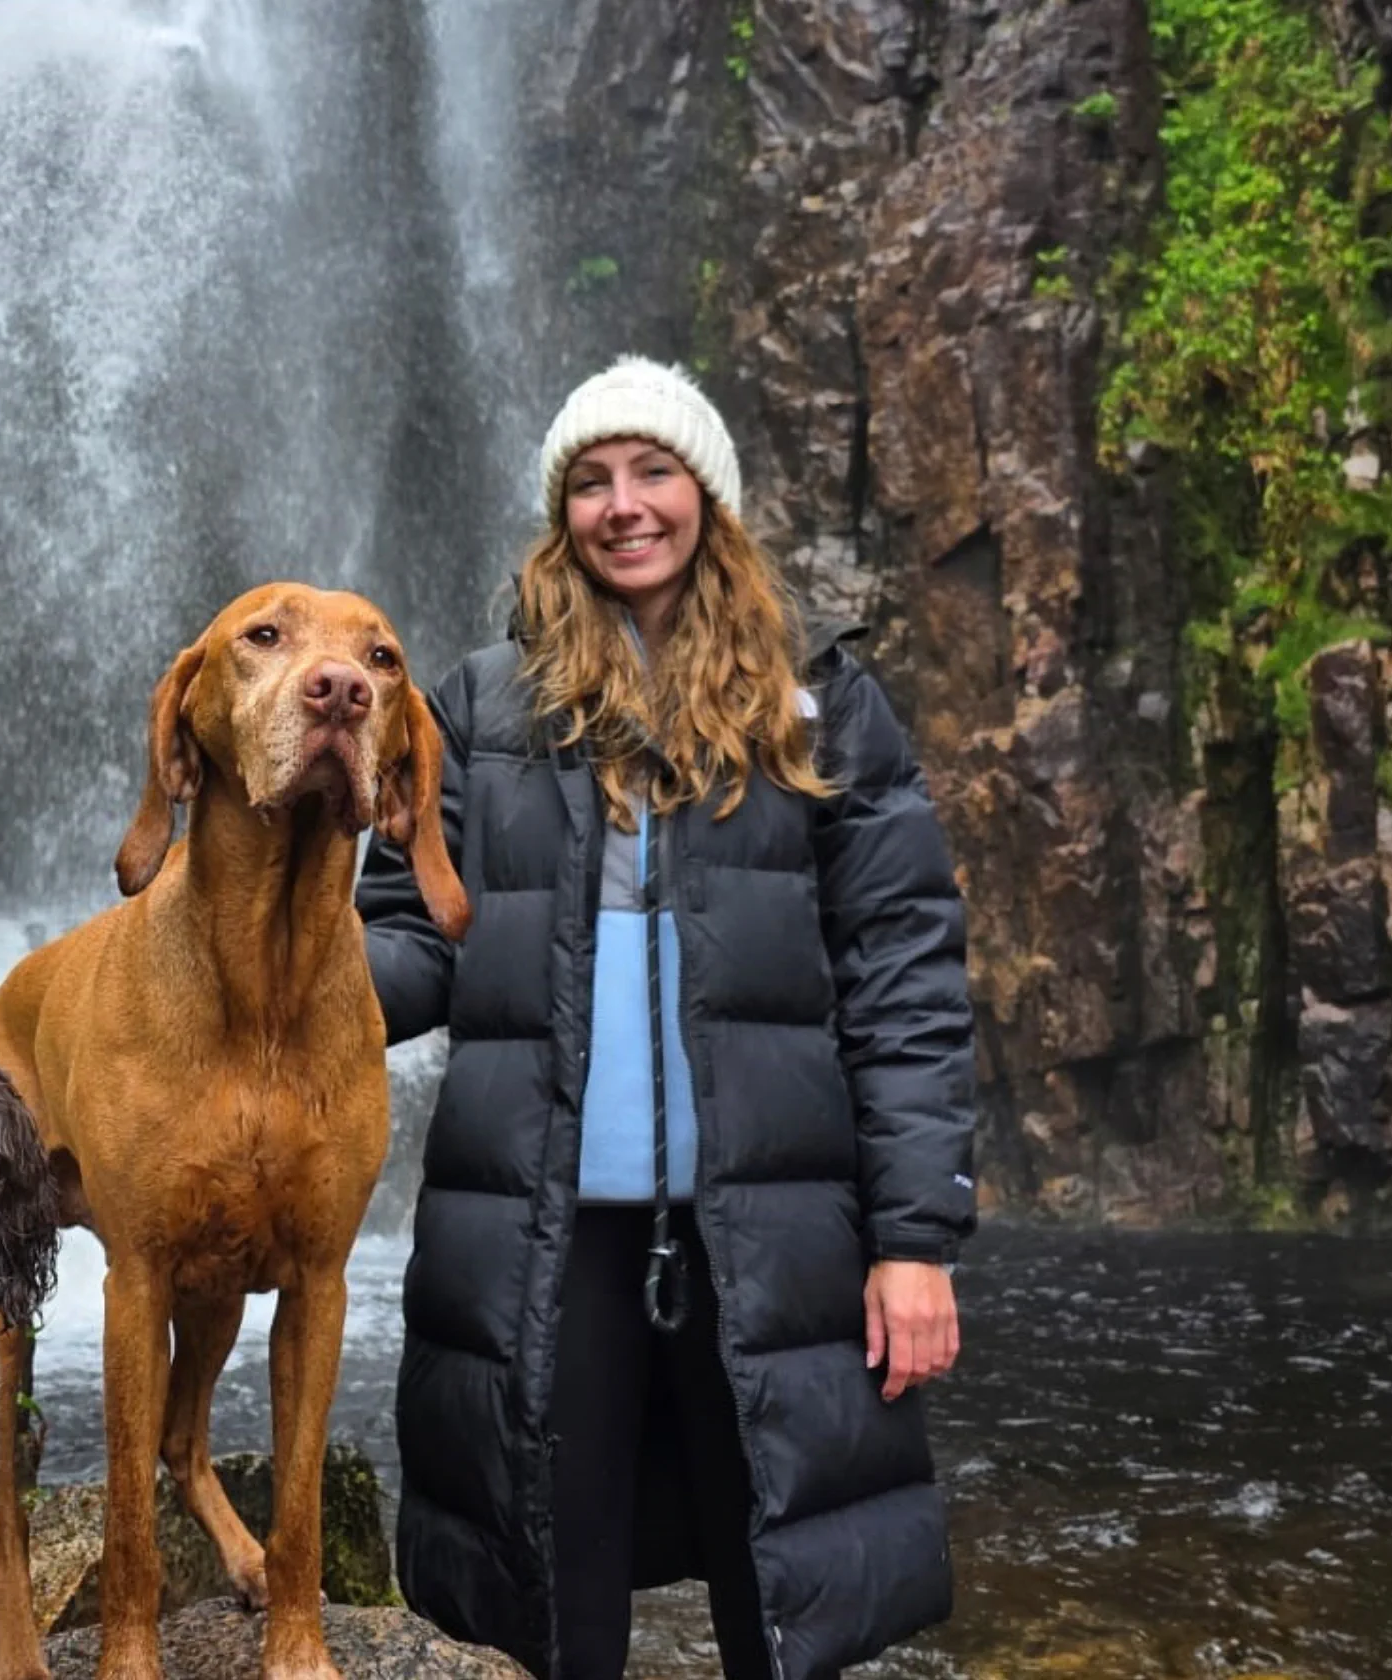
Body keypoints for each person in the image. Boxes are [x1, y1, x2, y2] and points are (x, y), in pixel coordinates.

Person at [357, 356, 975, 1680]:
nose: (624, 506)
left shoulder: (823, 700)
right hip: (540, 1234)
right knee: (549, 1601)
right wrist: (255, 973)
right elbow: (413, 942)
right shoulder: (475, 709)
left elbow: (902, 970)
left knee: (783, 1604)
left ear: (709, 495)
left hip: (774, 1232)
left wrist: (916, 1242)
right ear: (558, 513)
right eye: (591, 482)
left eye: (653, 473)